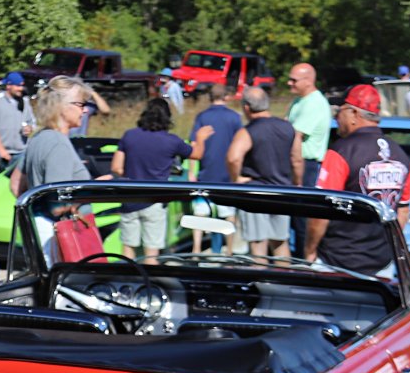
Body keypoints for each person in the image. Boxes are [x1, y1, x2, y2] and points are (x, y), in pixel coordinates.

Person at [304, 84, 410, 274]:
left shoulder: (341, 151)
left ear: (354, 113)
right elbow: (402, 211)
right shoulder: (401, 156)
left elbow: (321, 212)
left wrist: (309, 250)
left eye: (339, 111)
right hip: (382, 263)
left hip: (337, 261)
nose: (336, 117)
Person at [12, 76, 110, 262]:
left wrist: (35, 206)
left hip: (41, 229)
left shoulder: (38, 138)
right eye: (81, 104)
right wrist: (93, 188)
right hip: (59, 238)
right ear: (62, 107)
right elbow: (57, 206)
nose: (85, 110)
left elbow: (16, 184)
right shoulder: (58, 143)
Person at [110, 98, 205, 259]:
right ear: (167, 118)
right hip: (155, 201)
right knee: (151, 254)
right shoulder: (172, 141)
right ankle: (151, 274)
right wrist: (201, 138)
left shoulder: (129, 136)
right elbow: (197, 154)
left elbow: (116, 168)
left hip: (129, 198)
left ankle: (128, 273)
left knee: (128, 249)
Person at [226, 86, 302, 257]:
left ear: (246, 107)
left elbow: (233, 158)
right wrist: (297, 183)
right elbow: (297, 159)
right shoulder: (288, 128)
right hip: (283, 191)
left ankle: (260, 273)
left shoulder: (248, 131)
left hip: (256, 193)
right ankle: (284, 273)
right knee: (280, 242)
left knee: (258, 245)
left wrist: (236, 179)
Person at [187, 84, 241, 253]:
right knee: (228, 213)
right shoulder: (235, 117)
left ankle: (196, 249)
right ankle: (229, 250)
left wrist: (191, 172)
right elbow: (240, 146)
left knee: (200, 213)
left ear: (209, 97)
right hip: (227, 172)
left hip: (206, 170)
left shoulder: (202, 117)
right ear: (226, 97)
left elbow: (194, 144)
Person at [286, 62, 331, 248]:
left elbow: (295, 135)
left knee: (302, 220)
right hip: (297, 164)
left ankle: (305, 258)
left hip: (306, 165)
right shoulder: (299, 101)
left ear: (308, 81)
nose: (289, 83)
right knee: (293, 218)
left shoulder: (314, 103)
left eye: (294, 80)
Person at [0, 71, 35, 172]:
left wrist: (29, 128)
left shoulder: (25, 101)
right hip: (3, 153)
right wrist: (1, 149)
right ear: (8, 86)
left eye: (22, 85)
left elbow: (32, 121)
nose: (21, 89)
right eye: (17, 86)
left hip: (21, 152)